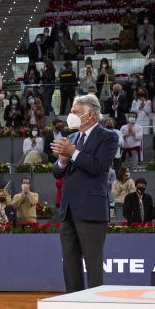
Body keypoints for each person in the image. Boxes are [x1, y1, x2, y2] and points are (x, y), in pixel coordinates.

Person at [50, 94, 118, 293]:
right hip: (68, 209)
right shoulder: (70, 138)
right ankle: (73, 303)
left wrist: (72, 153)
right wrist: (62, 160)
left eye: (75, 112)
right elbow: (57, 172)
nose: (71, 115)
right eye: (71, 111)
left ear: (91, 115)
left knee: (93, 262)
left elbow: (97, 167)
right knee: (69, 262)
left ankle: (96, 306)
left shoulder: (108, 136)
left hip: (91, 209)